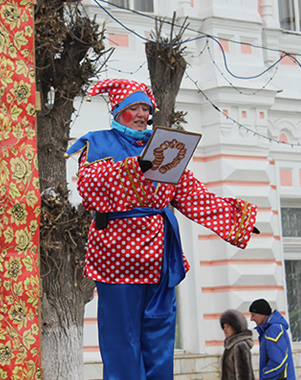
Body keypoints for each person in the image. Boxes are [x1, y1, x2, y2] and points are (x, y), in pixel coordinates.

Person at [66, 78, 259, 380]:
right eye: (134, 108)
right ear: (117, 110)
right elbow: (91, 186)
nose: (143, 114)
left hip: (160, 258)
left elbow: (192, 194)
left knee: (160, 337)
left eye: (146, 108)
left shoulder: (163, 146)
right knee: (122, 340)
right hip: (116, 259)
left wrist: (235, 217)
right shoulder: (98, 141)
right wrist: (138, 166)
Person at [249, 298, 296, 380]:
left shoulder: (274, 330)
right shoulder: (268, 330)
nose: (251, 319)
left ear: (263, 315)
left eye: (253, 315)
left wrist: (265, 376)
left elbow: (277, 361)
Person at [219, 309, 255, 380]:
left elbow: (244, 374)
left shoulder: (240, 345)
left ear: (235, 328)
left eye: (227, 327)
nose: (225, 329)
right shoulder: (230, 346)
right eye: (224, 327)